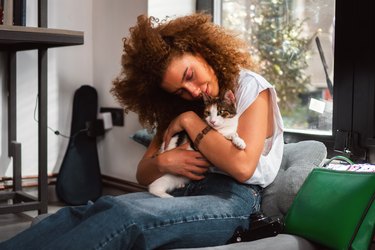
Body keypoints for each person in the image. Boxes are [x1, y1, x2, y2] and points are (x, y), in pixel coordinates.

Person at [0, 12, 284, 249]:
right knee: (91, 209)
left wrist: (188, 119)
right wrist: (164, 161)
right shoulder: (182, 103)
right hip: (184, 190)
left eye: (190, 76)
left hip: (233, 201)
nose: (194, 92)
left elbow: (243, 166)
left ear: (200, 51)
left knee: (125, 215)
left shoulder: (250, 87)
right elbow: (143, 173)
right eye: (181, 91)